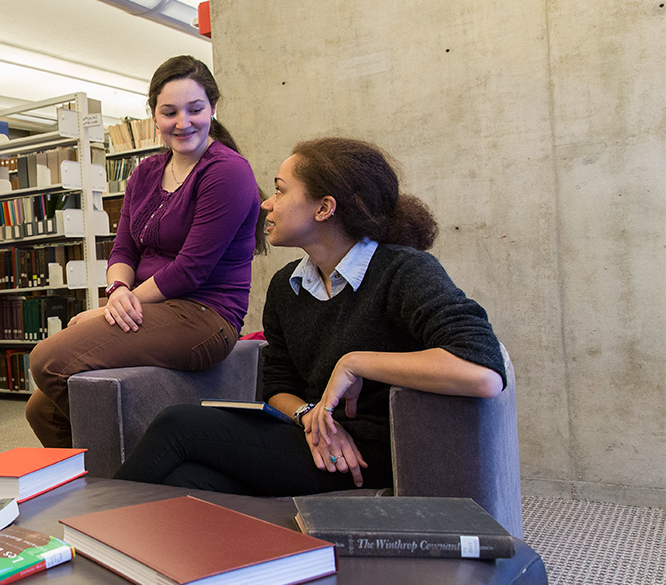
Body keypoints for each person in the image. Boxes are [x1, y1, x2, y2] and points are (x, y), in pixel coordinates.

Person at [112, 137, 507, 495]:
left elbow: (483, 372)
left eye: (281, 191)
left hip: (375, 455)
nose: (267, 203)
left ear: (324, 208)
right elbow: (278, 386)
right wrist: (310, 417)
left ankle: (88, 531)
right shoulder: (288, 285)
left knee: (178, 425)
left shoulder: (403, 270)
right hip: (316, 441)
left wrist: (356, 364)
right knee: (190, 481)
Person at [26, 55, 264, 448]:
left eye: (195, 109)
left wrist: (113, 309)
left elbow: (191, 270)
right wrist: (116, 292)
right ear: (154, 114)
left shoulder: (227, 172)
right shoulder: (145, 172)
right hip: (148, 306)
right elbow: (123, 248)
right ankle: (98, 481)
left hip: (204, 314)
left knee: (47, 360)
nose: (183, 122)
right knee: (41, 409)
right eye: (169, 112)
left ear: (213, 108)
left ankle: (143, 459)